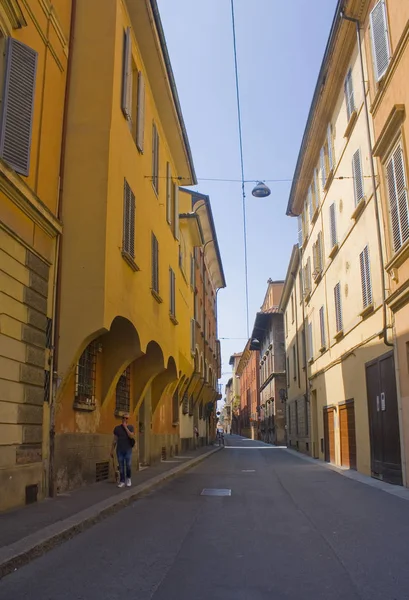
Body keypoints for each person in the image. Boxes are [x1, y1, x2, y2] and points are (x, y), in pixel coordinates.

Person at [111, 413, 135, 488]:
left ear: (128, 419)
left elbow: (131, 436)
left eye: (127, 418)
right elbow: (115, 440)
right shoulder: (117, 428)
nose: (125, 419)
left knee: (128, 465)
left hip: (128, 450)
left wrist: (125, 428)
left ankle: (128, 479)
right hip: (119, 450)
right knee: (121, 466)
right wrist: (112, 450)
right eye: (124, 418)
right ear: (122, 419)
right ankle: (122, 481)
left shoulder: (131, 427)